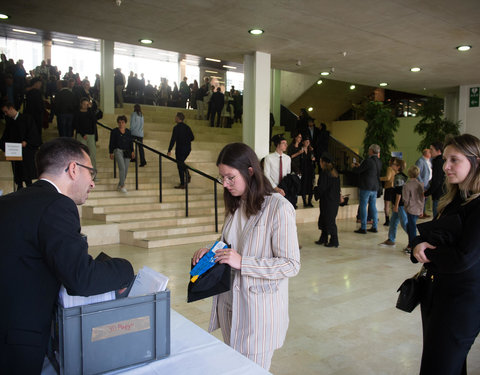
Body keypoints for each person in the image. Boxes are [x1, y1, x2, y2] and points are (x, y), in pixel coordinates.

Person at [0, 137, 134, 374]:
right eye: (91, 173)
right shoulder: (57, 205)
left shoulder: (10, 200)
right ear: (74, 169)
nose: (92, 183)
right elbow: (81, 278)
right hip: (17, 343)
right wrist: (125, 268)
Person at [192, 142, 300, 370]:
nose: (225, 184)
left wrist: (243, 262)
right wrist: (210, 252)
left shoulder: (278, 208)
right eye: (222, 177)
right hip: (230, 305)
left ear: (250, 171)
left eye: (230, 177)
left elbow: (291, 265)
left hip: (258, 314)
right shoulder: (236, 204)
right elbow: (232, 244)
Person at [411, 133, 480, 375]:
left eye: (454, 160)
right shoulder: (456, 199)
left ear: (475, 162)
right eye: (445, 160)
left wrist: (428, 253)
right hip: (439, 295)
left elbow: (463, 257)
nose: (446, 166)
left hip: (461, 303)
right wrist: (420, 243)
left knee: (439, 366)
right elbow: (436, 234)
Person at [0, 102, 41, 190]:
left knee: (27, 173)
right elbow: (5, 137)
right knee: (17, 172)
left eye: (6, 111)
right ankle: (19, 187)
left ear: (11, 108)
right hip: (15, 152)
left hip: (26, 151)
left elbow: (34, 134)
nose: (5, 114)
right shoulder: (10, 122)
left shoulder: (27, 118)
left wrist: (26, 142)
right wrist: (5, 147)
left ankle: (29, 187)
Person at [352, 144, 382, 233]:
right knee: (373, 206)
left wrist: (354, 167)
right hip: (375, 187)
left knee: (363, 206)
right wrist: (360, 166)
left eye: (369, 150)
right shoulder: (379, 161)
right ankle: (374, 226)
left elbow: (358, 171)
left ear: (371, 151)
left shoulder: (368, 161)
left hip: (366, 186)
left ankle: (363, 227)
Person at [379, 159, 408, 248]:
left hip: (400, 205)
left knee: (404, 223)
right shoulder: (400, 176)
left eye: (394, 164)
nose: (392, 165)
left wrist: (396, 205)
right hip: (398, 204)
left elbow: (399, 193)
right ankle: (391, 239)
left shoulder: (398, 177)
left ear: (398, 167)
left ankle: (414, 241)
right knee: (393, 222)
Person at [315, 152, 340, 247]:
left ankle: (334, 241)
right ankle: (323, 237)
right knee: (326, 219)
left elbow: (322, 188)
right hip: (333, 200)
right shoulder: (335, 173)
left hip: (327, 201)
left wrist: (315, 190)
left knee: (329, 221)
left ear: (323, 162)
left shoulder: (325, 174)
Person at [167, 112, 194, 189]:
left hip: (180, 149)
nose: (175, 118)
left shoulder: (176, 128)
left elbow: (173, 140)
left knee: (180, 165)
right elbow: (192, 138)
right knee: (181, 163)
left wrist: (169, 150)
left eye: (175, 117)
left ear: (178, 118)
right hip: (187, 149)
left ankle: (183, 183)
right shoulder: (187, 127)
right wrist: (186, 140)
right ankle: (187, 175)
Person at [109, 115, 134, 193]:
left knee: (125, 170)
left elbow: (131, 142)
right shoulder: (114, 131)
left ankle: (120, 184)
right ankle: (122, 185)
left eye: (122, 122)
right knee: (122, 168)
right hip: (118, 151)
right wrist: (111, 152)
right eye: (119, 122)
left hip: (127, 152)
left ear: (125, 123)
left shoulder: (128, 132)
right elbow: (111, 142)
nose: (121, 124)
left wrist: (132, 151)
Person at [403, 165, 424, 250]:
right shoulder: (420, 185)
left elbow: (406, 199)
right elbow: (422, 198)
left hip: (411, 208)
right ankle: (412, 243)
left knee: (411, 227)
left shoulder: (407, 185)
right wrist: (422, 209)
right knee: (410, 225)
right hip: (418, 208)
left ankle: (412, 245)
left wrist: (406, 207)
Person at [74, 98, 97, 169]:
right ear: (81, 104)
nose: (85, 106)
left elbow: (94, 120)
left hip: (91, 135)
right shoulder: (77, 113)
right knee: (82, 154)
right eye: (84, 104)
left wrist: (90, 109)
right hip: (81, 135)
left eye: (87, 104)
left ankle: (93, 172)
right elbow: (76, 124)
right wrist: (83, 134)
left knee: (92, 154)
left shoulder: (90, 112)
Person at [424, 141, 445, 218]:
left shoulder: (438, 162)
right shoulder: (439, 161)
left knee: (437, 219)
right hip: (441, 194)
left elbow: (437, 181)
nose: (430, 151)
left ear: (439, 151)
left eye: (431, 149)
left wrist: (427, 193)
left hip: (439, 195)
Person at [380, 157, 397, 226]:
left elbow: (388, 178)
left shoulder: (389, 168)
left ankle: (387, 220)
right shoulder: (396, 169)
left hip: (389, 187)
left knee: (387, 205)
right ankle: (394, 219)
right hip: (394, 188)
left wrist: (379, 178)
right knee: (393, 205)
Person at [415, 148, 432, 218]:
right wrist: (421, 182)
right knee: (421, 198)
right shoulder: (420, 161)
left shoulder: (429, 161)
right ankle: (419, 213)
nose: (431, 153)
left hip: (428, 183)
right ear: (426, 153)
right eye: (429, 152)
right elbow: (417, 173)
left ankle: (423, 212)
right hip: (423, 183)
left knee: (425, 198)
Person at [299, 137, 315, 207]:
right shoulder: (300, 150)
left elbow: (313, 159)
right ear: (303, 142)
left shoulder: (311, 150)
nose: (308, 143)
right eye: (306, 141)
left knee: (310, 186)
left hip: (310, 170)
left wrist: (313, 159)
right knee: (304, 186)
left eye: (308, 141)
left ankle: (309, 201)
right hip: (303, 170)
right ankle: (304, 201)